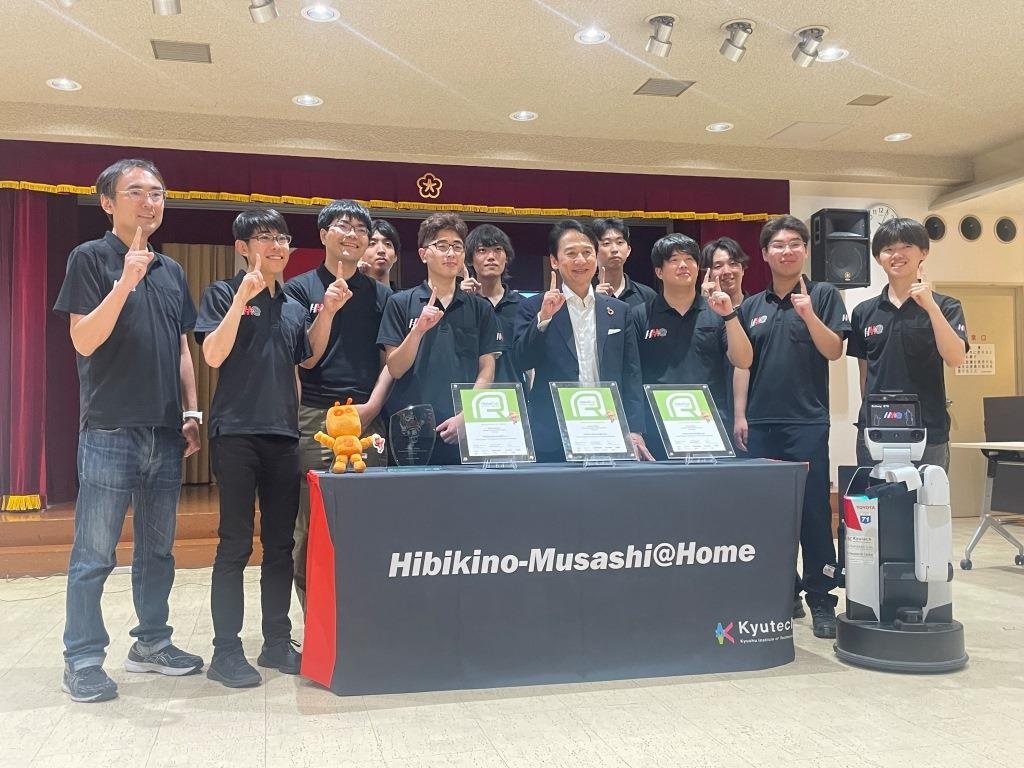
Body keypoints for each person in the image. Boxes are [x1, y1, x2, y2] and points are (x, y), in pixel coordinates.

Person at [53, 158, 204, 703]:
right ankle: (82, 658)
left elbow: (182, 348)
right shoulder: (89, 258)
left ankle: (151, 643)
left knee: (157, 552)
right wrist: (125, 283)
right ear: (108, 203)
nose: (150, 201)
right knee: (94, 554)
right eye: (136, 191)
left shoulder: (171, 270)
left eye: (157, 192)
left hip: (164, 430)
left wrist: (191, 412)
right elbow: (83, 340)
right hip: (110, 429)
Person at [196, 208, 322, 688]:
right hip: (235, 433)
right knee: (234, 543)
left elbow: (296, 368)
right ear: (242, 247)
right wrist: (240, 301)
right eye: (265, 237)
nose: (276, 246)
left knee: (280, 545)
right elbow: (212, 355)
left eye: (282, 238)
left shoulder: (292, 305)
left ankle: (275, 642)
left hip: (283, 437)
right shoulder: (222, 293)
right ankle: (225, 651)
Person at [733, 215, 850, 639]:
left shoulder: (824, 294)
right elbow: (743, 364)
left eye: (795, 244)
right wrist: (740, 414)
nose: (787, 251)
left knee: (814, 513)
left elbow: (834, 351)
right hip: (761, 424)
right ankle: (784, 591)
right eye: (778, 245)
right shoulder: (751, 306)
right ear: (765, 254)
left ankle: (822, 599)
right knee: (768, 515)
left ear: (805, 250)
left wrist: (809, 315)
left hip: (807, 423)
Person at [284, 200, 393, 609]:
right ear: (323, 234)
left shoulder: (382, 295)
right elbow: (305, 359)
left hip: (367, 418)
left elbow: (389, 362)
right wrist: (328, 310)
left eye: (361, 229)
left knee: (368, 517)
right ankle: (316, 620)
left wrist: (373, 407)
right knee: (312, 520)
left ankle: (366, 613)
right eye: (343, 226)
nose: (353, 235)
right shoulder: (299, 288)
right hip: (315, 416)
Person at [513, 219, 649, 462]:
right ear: (554, 261)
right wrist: (544, 319)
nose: (580, 260)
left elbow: (632, 372)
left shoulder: (619, 311)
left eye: (587, 252)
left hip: (609, 428)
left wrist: (635, 428)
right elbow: (522, 360)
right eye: (571, 253)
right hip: (553, 434)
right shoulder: (533, 307)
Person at [377, 212, 501, 465]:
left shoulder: (481, 308)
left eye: (457, 246)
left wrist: (467, 417)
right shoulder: (400, 303)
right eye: (442, 246)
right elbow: (395, 368)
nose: (451, 253)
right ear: (424, 254)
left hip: (464, 430)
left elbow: (487, 368)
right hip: (409, 431)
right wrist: (418, 330)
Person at [848, 218, 968, 472]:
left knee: (929, 496)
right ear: (878, 258)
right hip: (876, 430)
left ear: (923, 252)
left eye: (906, 246)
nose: (897, 255)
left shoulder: (947, 306)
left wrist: (930, 306)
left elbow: (955, 357)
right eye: (888, 249)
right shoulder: (863, 312)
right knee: (875, 496)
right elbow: (865, 373)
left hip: (928, 429)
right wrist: (868, 417)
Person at [631, 234, 752, 458]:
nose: (683, 265)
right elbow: (632, 375)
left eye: (689, 259)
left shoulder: (718, 312)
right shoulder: (639, 315)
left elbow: (743, 360)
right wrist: (635, 428)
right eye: (674, 260)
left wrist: (729, 315)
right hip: (658, 428)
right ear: (659, 271)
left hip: (710, 425)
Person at [460, 223, 524, 385]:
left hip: (514, 394)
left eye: (497, 249)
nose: (491, 257)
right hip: (470, 394)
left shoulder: (523, 305)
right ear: (470, 259)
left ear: (506, 257)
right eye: (482, 250)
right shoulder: (461, 303)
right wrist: (460, 298)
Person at [592, 217, 658, 306]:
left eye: (620, 242)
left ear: (628, 250)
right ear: (594, 251)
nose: (614, 249)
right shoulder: (584, 293)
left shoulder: (647, 296)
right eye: (606, 243)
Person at [702, 236, 749, 310]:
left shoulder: (756, 307)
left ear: (742, 269)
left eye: (733, 263)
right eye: (718, 266)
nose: (726, 271)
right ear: (708, 275)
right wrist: (704, 303)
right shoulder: (701, 311)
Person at [359, 218, 401, 289]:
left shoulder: (406, 296)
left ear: (395, 256)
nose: (381, 250)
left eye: (387, 244)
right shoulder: (347, 293)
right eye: (372, 243)